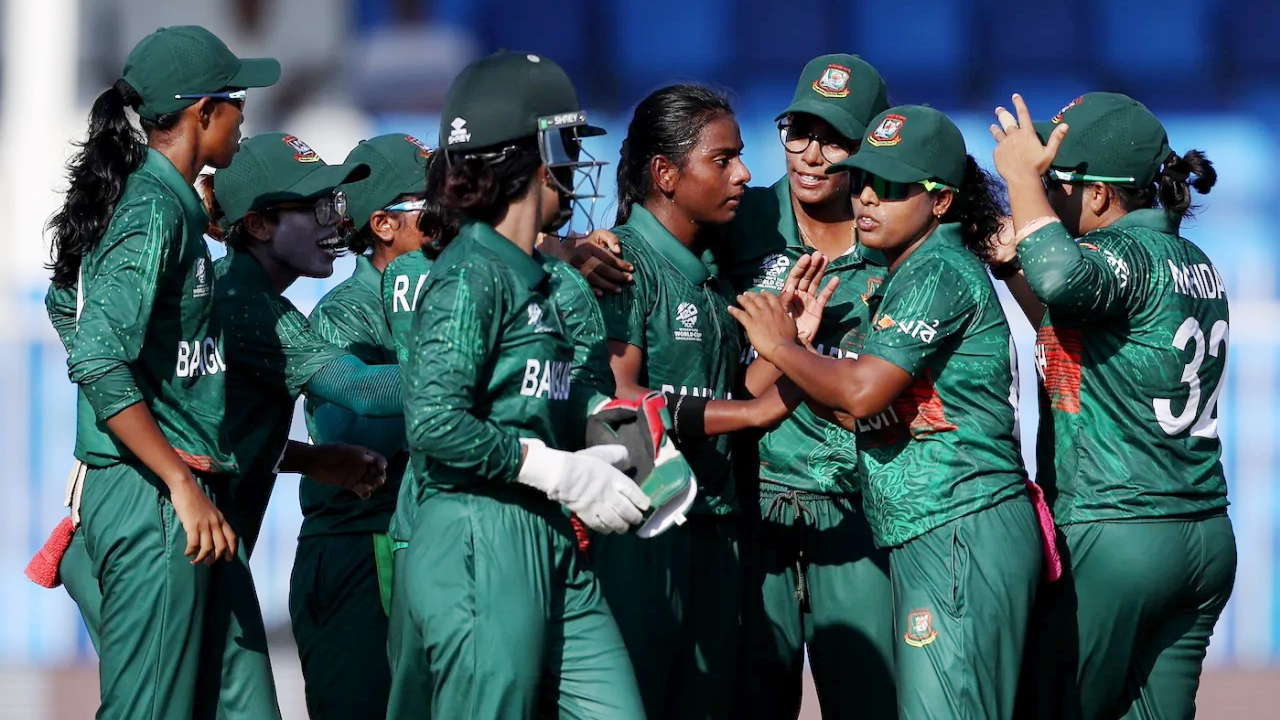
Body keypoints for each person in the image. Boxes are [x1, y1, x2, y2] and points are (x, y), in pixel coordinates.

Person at [730, 105, 1044, 720]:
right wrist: (800, 357)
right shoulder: (913, 269)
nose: (868, 197)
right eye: (865, 180)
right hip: (939, 525)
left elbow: (861, 393)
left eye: (894, 186)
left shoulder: (936, 270)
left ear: (942, 201)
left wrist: (784, 347)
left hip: (959, 521)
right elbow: (875, 416)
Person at [385, 51, 648, 720]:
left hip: (546, 530)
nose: (576, 164)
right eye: (568, 144)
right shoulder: (471, 273)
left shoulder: (544, 274)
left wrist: (615, 433)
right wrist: (552, 468)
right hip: (477, 530)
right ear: (536, 151)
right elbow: (434, 422)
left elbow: (549, 391)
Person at [42, 24, 281, 720]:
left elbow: (66, 303)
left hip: (169, 487)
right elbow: (96, 354)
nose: (245, 119)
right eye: (237, 102)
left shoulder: (167, 204)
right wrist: (176, 480)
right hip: (154, 495)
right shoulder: (151, 209)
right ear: (203, 113)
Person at [991, 92, 1235, 720]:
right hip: (1202, 535)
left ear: (1098, 195)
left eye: (1055, 182)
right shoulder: (1195, 261)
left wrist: (1019, 180)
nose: (1046, 194)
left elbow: (1063, 280)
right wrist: (1014, 263)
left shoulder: (1120, 253)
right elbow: (1076, 332)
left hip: (1117, 530)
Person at [594, 83, 810, 720]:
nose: (744, 173)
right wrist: (751, 416)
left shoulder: (710, 274)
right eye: (723, 159)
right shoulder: (621, 262)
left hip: (716, 523)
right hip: (645, 527)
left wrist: (791, 346)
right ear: (665, 174)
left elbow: (726, 396)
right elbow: (621, 398)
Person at [288, 132, 433, 720]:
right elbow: (357, 446)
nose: (456, 223)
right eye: (435, 210)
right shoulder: (347, 313)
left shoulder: (454, 295)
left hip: (419, 543)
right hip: (364, 546)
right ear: (384, 224)